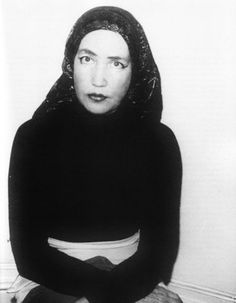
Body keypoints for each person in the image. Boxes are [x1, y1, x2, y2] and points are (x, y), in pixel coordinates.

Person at [8, 6, 183, 303]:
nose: (98, 79)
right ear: (70, 63)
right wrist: (104, 293)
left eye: (116, 63)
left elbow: (160, 248)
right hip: (52, 277)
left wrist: (117, 291)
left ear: (136, 70)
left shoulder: (160, 142)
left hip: (130, 274)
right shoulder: (33, 136)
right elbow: (29, 255)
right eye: (87, 59)